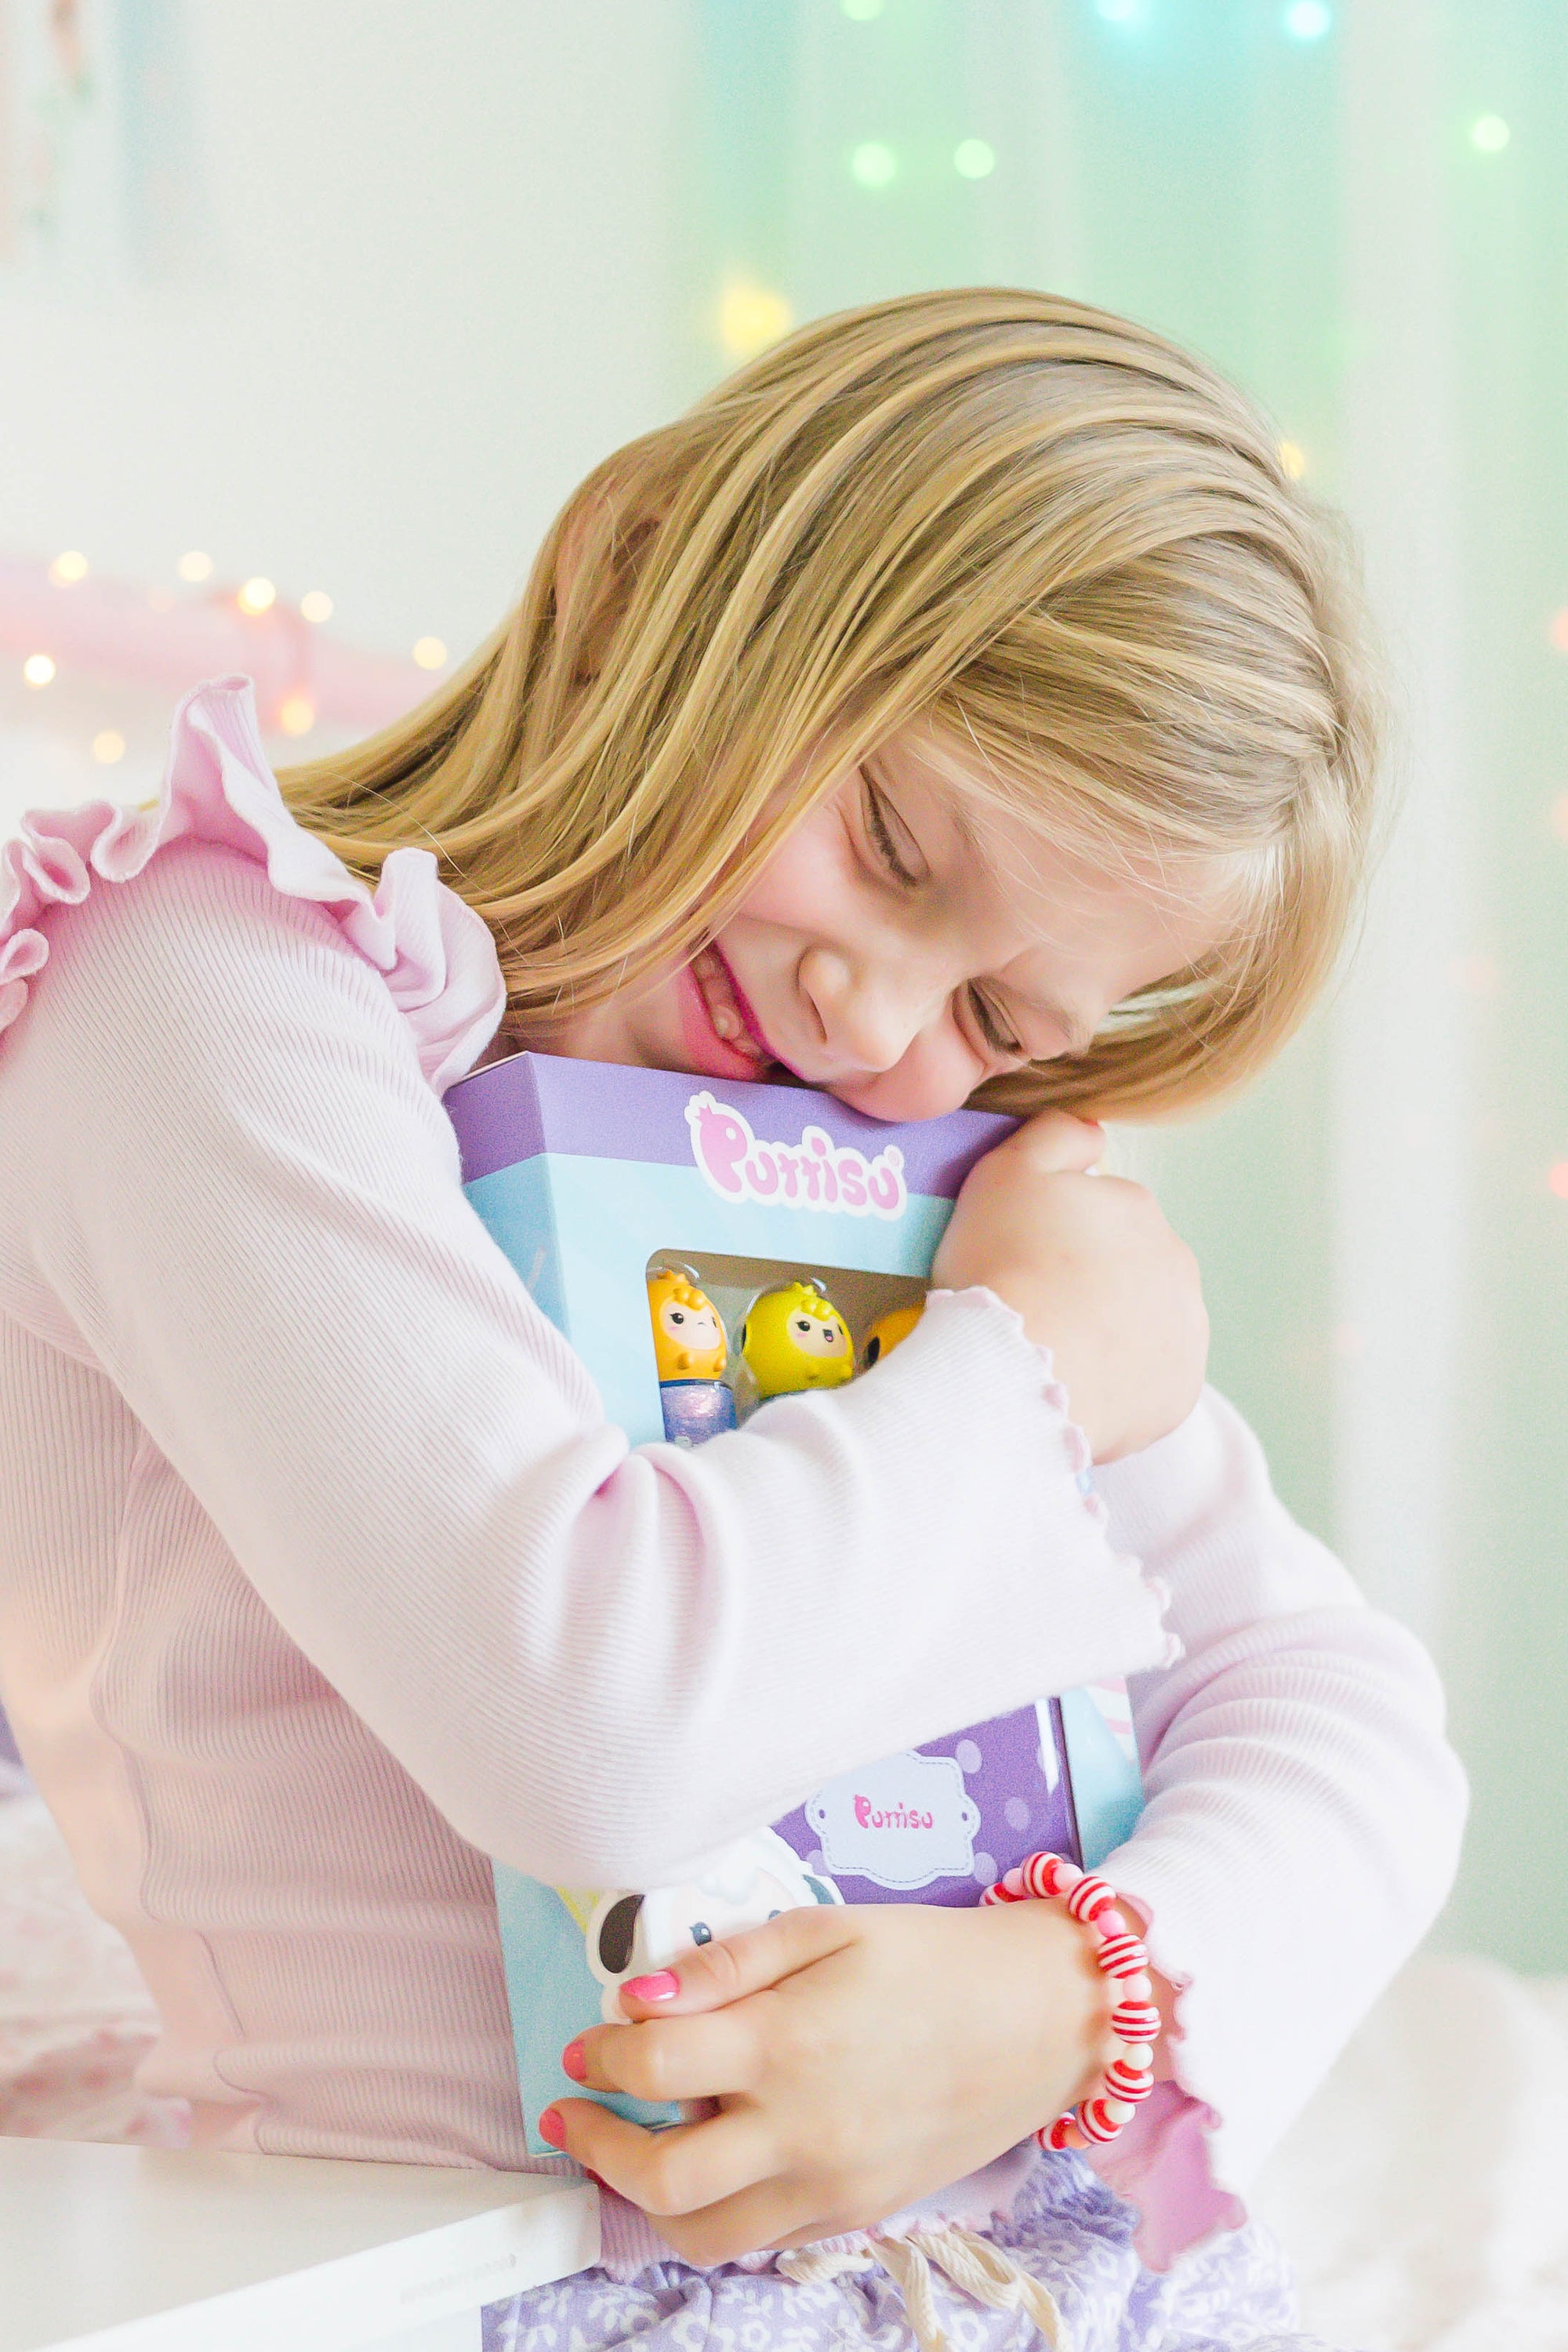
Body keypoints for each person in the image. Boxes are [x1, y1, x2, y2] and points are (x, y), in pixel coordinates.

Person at [0, 290, 1465, 2352]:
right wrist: (1032, 1372)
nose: (876, 1023)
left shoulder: (914, 1165)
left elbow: (1358, 1726)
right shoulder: (208, 990)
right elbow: (580, 1715)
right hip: (450, 2277)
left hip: (1037, 2270)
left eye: (1005, 1022)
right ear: (638, 578)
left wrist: (1069, 2005)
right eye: (889, 850)